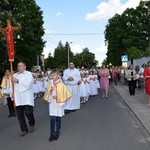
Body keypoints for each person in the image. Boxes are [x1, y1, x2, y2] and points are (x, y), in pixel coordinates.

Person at [43, 69, 71, 141]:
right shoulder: (50, 84)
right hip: (52, 103)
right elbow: (46, 94)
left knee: (58, 119)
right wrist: (51, 91)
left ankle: (57, 133)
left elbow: (66, 94)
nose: (53, 77)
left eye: (54, 75)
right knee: (52, 118)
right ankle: (52, 134)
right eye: (52, 75)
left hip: (59, 104)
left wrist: (58, 96)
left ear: (58, 75)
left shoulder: (62, 85)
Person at [12, 61, 35, 137]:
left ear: (25, 67)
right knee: (20, 115)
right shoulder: (14, 75)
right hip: (18, 98)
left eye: (21, 66)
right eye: (18, 66)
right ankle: (24, 129)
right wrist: (11, 93)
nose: (19, 67)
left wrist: (18, 81)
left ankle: (31, 123)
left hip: (26, 97)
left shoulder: (29, 74)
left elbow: (28, 84)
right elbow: (12, 86)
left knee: (28, 112)